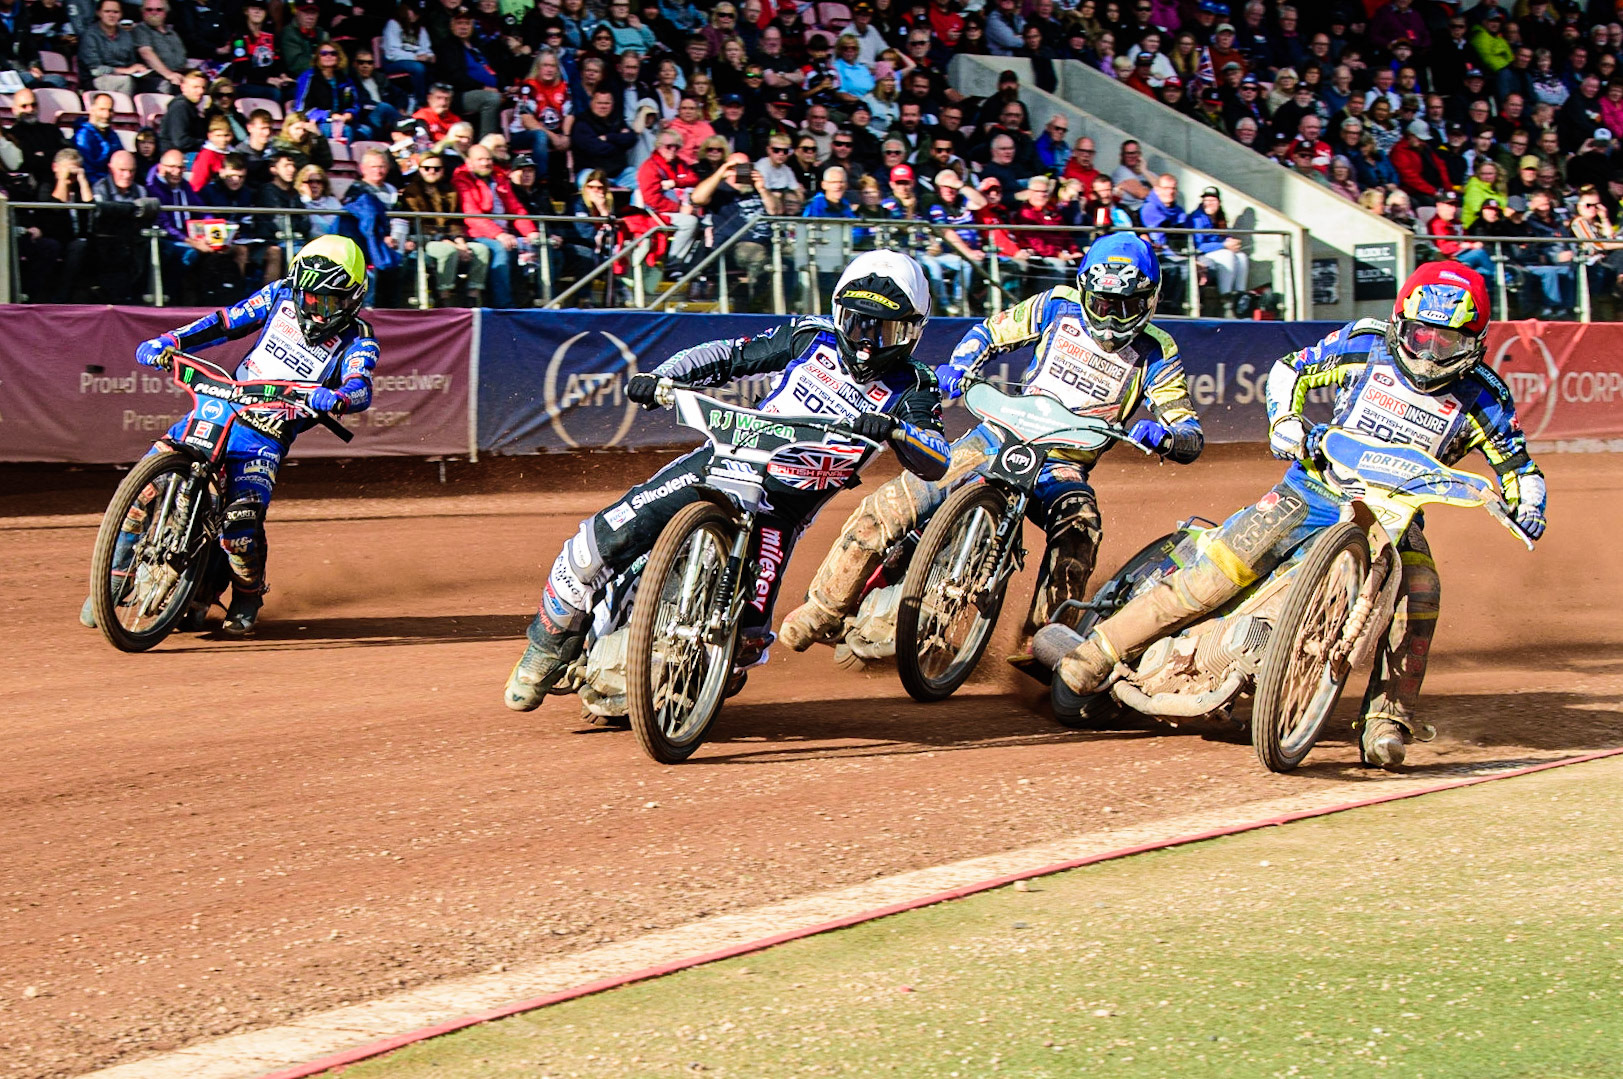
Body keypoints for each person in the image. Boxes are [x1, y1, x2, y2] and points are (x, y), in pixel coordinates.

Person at [1051, 261, 1547, 769]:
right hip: (1311, 487)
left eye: (1448, 344)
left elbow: (1519, 466)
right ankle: (1095, 654)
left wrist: (1529, 503)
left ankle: (1388, 720)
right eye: (1420, 336)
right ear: (1401, 324)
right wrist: (1286, 422)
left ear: (1476, 343)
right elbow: (1292, 368)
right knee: (1214, 574)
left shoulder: (1486, 396)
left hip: (1396, 519)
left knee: (1421, 591)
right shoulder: (1365, 342)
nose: (1428, 355)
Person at [503, 251, 950, 711]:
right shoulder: (809, 337)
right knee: (595, 543)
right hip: (722, 461)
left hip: (781, 508)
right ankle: (544, 649)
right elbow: (732, 355)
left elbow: (937, 456)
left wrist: (898, 430)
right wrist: (664, 377)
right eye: (857, 324)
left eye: (885, 330)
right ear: (838, 312)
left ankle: (686, 679)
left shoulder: (916, 386)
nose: (866, 344)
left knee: (748, 640)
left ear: (913, 331)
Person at [780, 232, 1203, 667]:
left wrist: (1169, 435)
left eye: (1126, 307)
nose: (1111, 318)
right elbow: (990, 332)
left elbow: (1188, 426)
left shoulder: (1158, 351)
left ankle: (1042, 643)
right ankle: (823, 609)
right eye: (1101, 303)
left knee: (1080, 530)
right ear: (1083, 290)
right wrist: (962, 365)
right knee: (891, 502)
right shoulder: (1056, 305)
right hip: (997, 434)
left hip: (1063, 465)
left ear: (1149, 301)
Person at [84, 236, 380, 637]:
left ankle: (247, 593)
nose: (314, 307)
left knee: (240, 525)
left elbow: (361, 386)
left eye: (327, 300)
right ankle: (116, 578)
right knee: (141, 490)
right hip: (225, 400)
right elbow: (225, 321)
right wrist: (171, 341)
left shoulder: (360, 338)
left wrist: (340, 397)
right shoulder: (280, 293)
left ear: (353, 297)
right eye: (308, 297)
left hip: (270, 427)